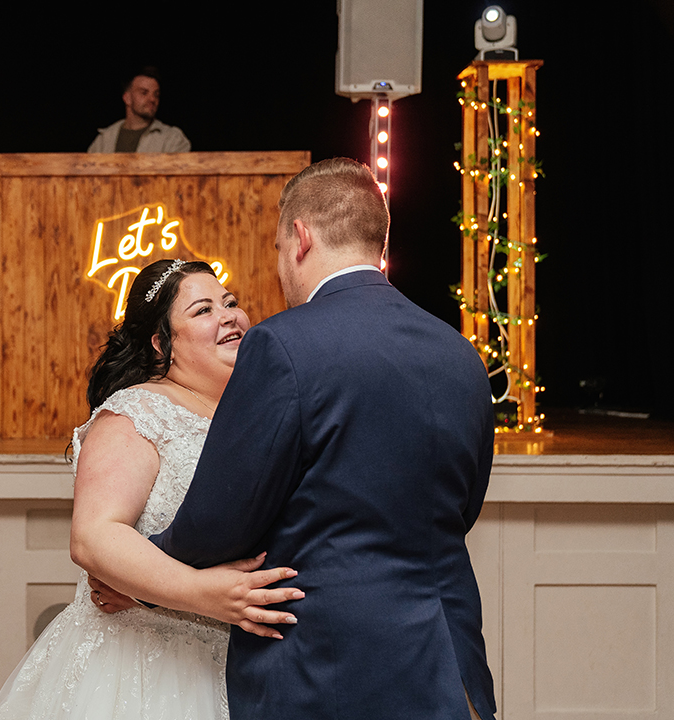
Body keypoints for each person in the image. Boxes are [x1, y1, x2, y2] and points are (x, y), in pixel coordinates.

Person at [151, 158, 498, 720]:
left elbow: (220, 523)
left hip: (326, 672)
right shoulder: (460, 354)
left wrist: (142, 574)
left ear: (301, 238)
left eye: (277, 248)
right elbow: (463, 507)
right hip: (448, 667)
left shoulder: (281, 345)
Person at [0, 259, 302, 720]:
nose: (230, 315)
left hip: (247, 661)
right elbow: (94, 537)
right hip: (145, 672)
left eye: (230, 303)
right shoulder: (137, 412)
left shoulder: (257, 408)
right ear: (162, 344)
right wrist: (202, 592)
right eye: (202, 310)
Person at [87, 68, 191, 153]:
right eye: (144, 93)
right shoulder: (104, 139)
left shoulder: (172, 139)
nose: (152, 99)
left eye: (156, 94)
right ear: (127, 98)